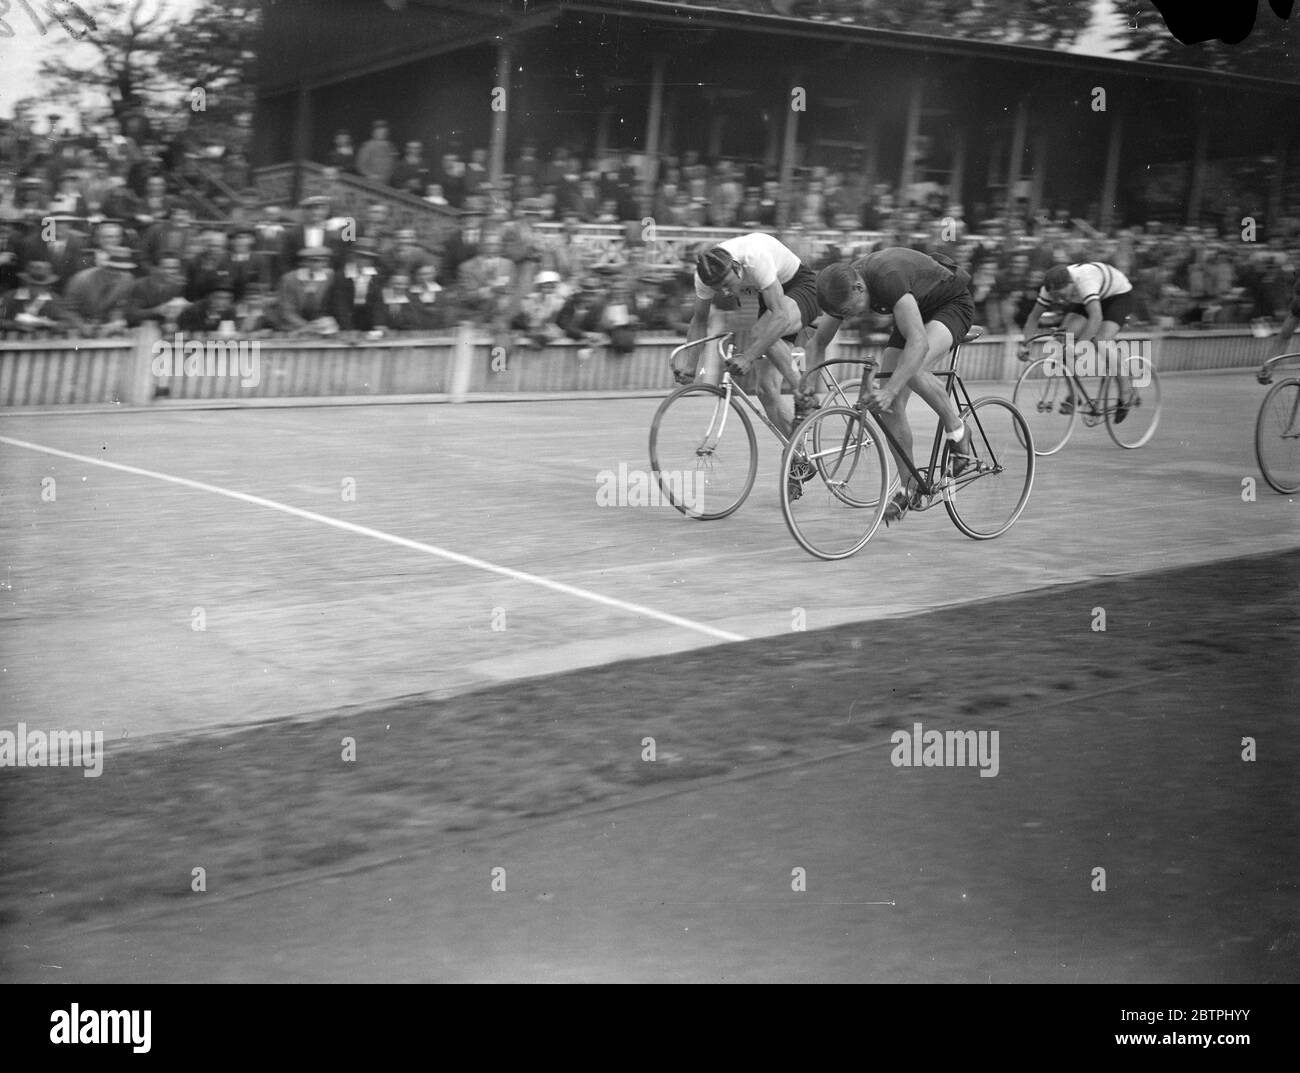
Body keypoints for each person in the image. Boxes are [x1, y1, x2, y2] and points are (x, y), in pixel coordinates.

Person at [808, 247, 978, 523]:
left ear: (859, 287)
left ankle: (958, 429)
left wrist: (889, 389)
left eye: (849, 310)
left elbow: (919, 343)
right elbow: (817, 342)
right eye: (843, 314)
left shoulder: (887, 277)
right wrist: (808, 388)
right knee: (890, 408)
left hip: (951, 305)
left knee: (912, 367)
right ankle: (909, 486)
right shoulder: (841, 286)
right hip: (914, 309)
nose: (849, 317)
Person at [682, 232, 820, 439]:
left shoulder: (754, 256)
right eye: (720, 290)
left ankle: (804, 393)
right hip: (770, 295)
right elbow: (700, 320)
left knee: (761, 332)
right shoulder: (704, 276)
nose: (727, 293)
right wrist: (690, 366)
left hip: (800, 286)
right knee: (765, 390)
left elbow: (780, 317)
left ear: (737, 267)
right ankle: (797, 452)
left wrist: (748, 357)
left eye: (728, 285)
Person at [1018, 261, 1136, 419]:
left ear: (1071, 283)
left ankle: (1126, 391)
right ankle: (1075, 395)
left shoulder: (1085, 281)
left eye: (1061, 295)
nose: (1059, 301)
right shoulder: (1049, 289)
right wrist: (1026, 344)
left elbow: (1096, 317)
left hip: (1117, 296)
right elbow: (1033, 318)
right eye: (1055, 297)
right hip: (1084, 298)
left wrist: (1080, 347)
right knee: (1063, 338)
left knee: (1101, 341)